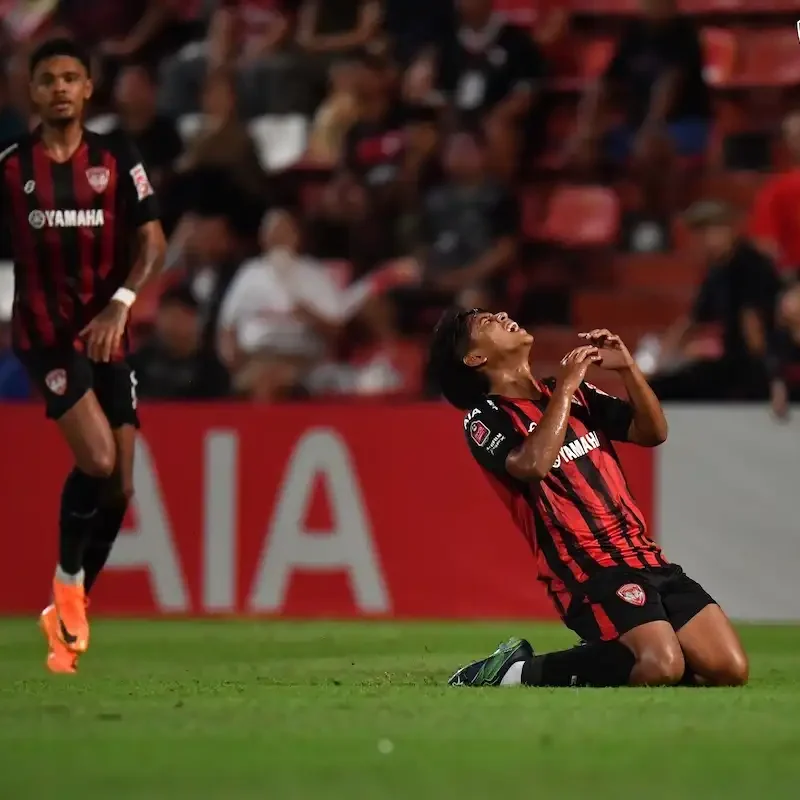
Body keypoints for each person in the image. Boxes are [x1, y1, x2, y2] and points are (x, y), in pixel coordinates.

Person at [428, 308, 749, 688]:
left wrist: (627, 369)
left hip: (646, 555)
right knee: (661, 665)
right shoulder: (484, 417)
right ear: (475, 358)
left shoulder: (575, 392)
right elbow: (532, 464)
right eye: (486, 322)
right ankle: (512, 672)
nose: (501, 314)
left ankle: (608, 653)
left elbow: (652, 432)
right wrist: (564, 388)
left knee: (729, 669)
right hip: (586, 568)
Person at [0, 38, 166, 673]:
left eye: (71, 77)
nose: (61, 88)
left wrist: (121, 302)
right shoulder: (11, 167)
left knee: (120, 486)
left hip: (108, 332)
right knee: (96, 459)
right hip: (46, 336)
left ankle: (69, 606)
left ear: (89, 88)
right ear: (32, 92)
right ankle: (68, 588)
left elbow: (153, 242)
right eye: (48, 79)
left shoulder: (117, 158)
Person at [649, 201, 780, 401]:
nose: (706, 240)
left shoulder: (752, 265)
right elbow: (692, 320)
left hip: (759, 366)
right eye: (700, 234)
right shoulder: (717, 271)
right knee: (657, 387)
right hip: (732, 361)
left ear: (731, 230)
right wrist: (662, 360)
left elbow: (753, 326)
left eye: (711, 231)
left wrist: (771, 376)